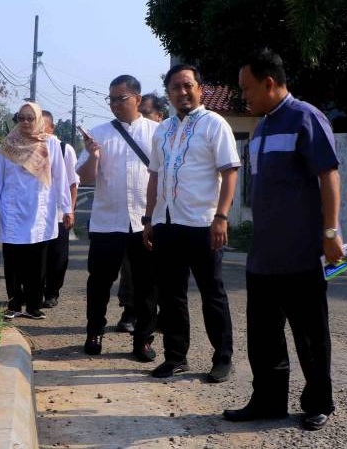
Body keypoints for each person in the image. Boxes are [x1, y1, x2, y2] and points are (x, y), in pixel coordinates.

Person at [223, 49, 343, 431]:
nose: (245, 97)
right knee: (263, 336)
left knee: (310, 336)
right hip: (263, 256)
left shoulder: (306, 118)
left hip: (302, 253)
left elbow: (329, 175)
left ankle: (318, 402)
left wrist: (330, 232)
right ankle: (268, 401)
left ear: (269, 83)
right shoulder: (261, 128)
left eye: (248, 88)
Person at [143, 64, 240, 383]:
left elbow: (230, 172)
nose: (181, 92)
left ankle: (222, 357)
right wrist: (149, 218)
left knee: (212, 292)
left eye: (187, 85)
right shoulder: (163, 129)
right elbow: (154, 176)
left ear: (199, 88)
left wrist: (221, 216)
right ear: (168, 93)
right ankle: (175, 357)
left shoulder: (215, 125)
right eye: (174, 87)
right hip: (167, 223)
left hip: (202, 223)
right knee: (171, 295)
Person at [76, 75, 159, 361]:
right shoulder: (98, 134)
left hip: (144, 222)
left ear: (137, 98)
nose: (115, 104)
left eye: (121, 98)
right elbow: (85, 179)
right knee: (99, 281)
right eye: (111, 99)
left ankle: (143, 340)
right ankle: (94, 332)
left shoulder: (157, 132)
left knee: (146, 284)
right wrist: (93, 156)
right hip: (106, 222)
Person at [0, 102, 73, 320]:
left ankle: (34, 306)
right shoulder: (9, 145)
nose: (25, 122)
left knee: (38, 261)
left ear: (39, 120)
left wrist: (67, 208)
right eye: (21, 118)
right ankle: (14, 304)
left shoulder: (51, 144)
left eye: (30, 118)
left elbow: (61, 177)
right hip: (13, 209)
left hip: (41, 210)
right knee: (13, 260)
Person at [115, 92, 168, 333]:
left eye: (146, 113)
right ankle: (130, 309)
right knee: (130, 267)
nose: (141, 117)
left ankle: (161, 314)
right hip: (135, 212)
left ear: (160, 116)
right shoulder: (125, 135)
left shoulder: (166, 138)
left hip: (164, 212)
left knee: (163, 267)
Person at [41, 110, 79, 308]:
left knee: (58, 257)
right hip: (36, 215)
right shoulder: (27, 148)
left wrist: (69, 210)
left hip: (58, 213)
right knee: (37, 256)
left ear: (52, 127)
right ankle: (35, 292)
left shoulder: (65, 149)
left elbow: (73, 183)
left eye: (43, 125)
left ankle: (52, 292)